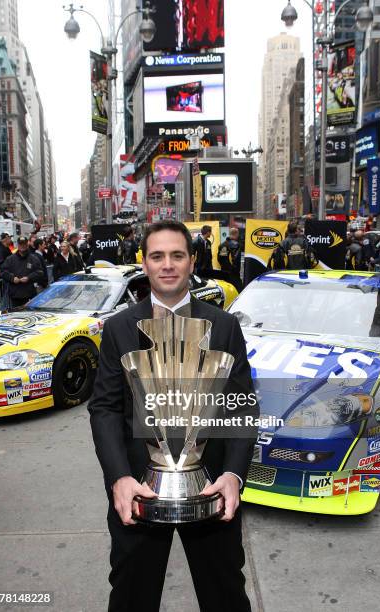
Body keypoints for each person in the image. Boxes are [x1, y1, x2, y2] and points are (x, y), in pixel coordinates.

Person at [88, 219, 258, 612]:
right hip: (139, 491)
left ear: (192, 261)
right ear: (144, 264)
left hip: (212, 489)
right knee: (131, 595)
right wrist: (119, 478)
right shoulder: (117, 329)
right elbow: (105, 408)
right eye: (157, 256)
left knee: (226, 595)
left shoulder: (224, 325)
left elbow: (242, 404)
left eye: (177, 255)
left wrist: (233, 475)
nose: (167, 265)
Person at [0, 236, 43, 308]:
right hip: (15, 295)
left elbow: (40, 272)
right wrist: (12, 278)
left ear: (27, 245)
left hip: (30, 294)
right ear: (18, 245)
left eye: (24, 244)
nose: (22, 246)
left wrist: (29, 277)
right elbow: (3, 272)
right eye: (20, 244)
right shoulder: (10, 259)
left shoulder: (34, 258)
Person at [217, 227, 243, 292]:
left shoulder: (222, 245)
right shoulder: (236, 245)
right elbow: (236, 260)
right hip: (233, 274)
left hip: (224, 272)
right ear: (236, 234)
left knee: (226, 291)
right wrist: (235, 271)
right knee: (238, 291)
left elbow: (219, 259)